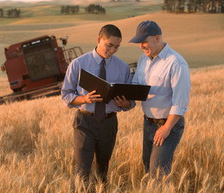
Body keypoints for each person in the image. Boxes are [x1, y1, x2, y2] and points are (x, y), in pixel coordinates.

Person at [61, 24, 136, 189]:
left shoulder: (123, 68)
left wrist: (126, 104)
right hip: (84, 122)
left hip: (109, 124)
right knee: (81, 172)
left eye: (117, 47)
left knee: (102, 172)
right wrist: (84, 99)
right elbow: (66, 95)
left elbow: (132, 101)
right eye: (109, 45)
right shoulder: (78, 64)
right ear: (98, 40)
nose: (113, 50)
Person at [129, 20, 191, 179]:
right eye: (139, 43)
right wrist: (125, 99)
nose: (141, 46)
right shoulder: (143, 59)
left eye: (144, 42)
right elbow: (136, 85)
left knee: (158, 174)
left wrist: (166, 128)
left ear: (157, 38)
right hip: (148, 123)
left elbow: (180, 103)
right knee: (149, 169)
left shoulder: (176, 63)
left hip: (167, 126)